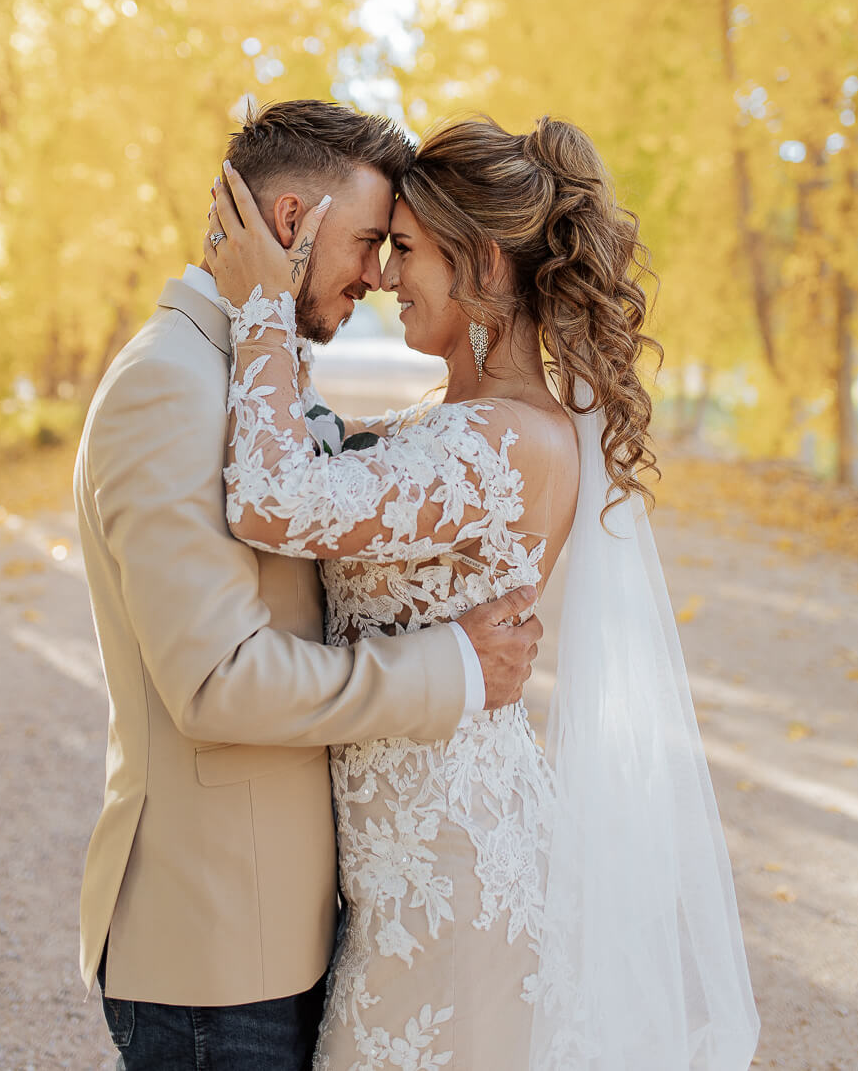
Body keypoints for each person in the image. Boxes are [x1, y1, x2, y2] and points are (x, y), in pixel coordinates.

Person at [204, 112, 761, 1070]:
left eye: (407, 250)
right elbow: (316, 470)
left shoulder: (502, 440)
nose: (383, 275)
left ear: (486, 267)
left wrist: (263, 309)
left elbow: (270, 499)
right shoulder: (460, 423)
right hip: (413, 865)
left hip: (451, 879)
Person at [73, 101, 542, 1071]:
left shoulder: (244, 369)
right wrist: (452, 668)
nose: (377, 274)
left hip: (279, 919)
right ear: (289, 224)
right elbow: (215, 684)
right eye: (370, 240)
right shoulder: (171, 385)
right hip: (215, 938)